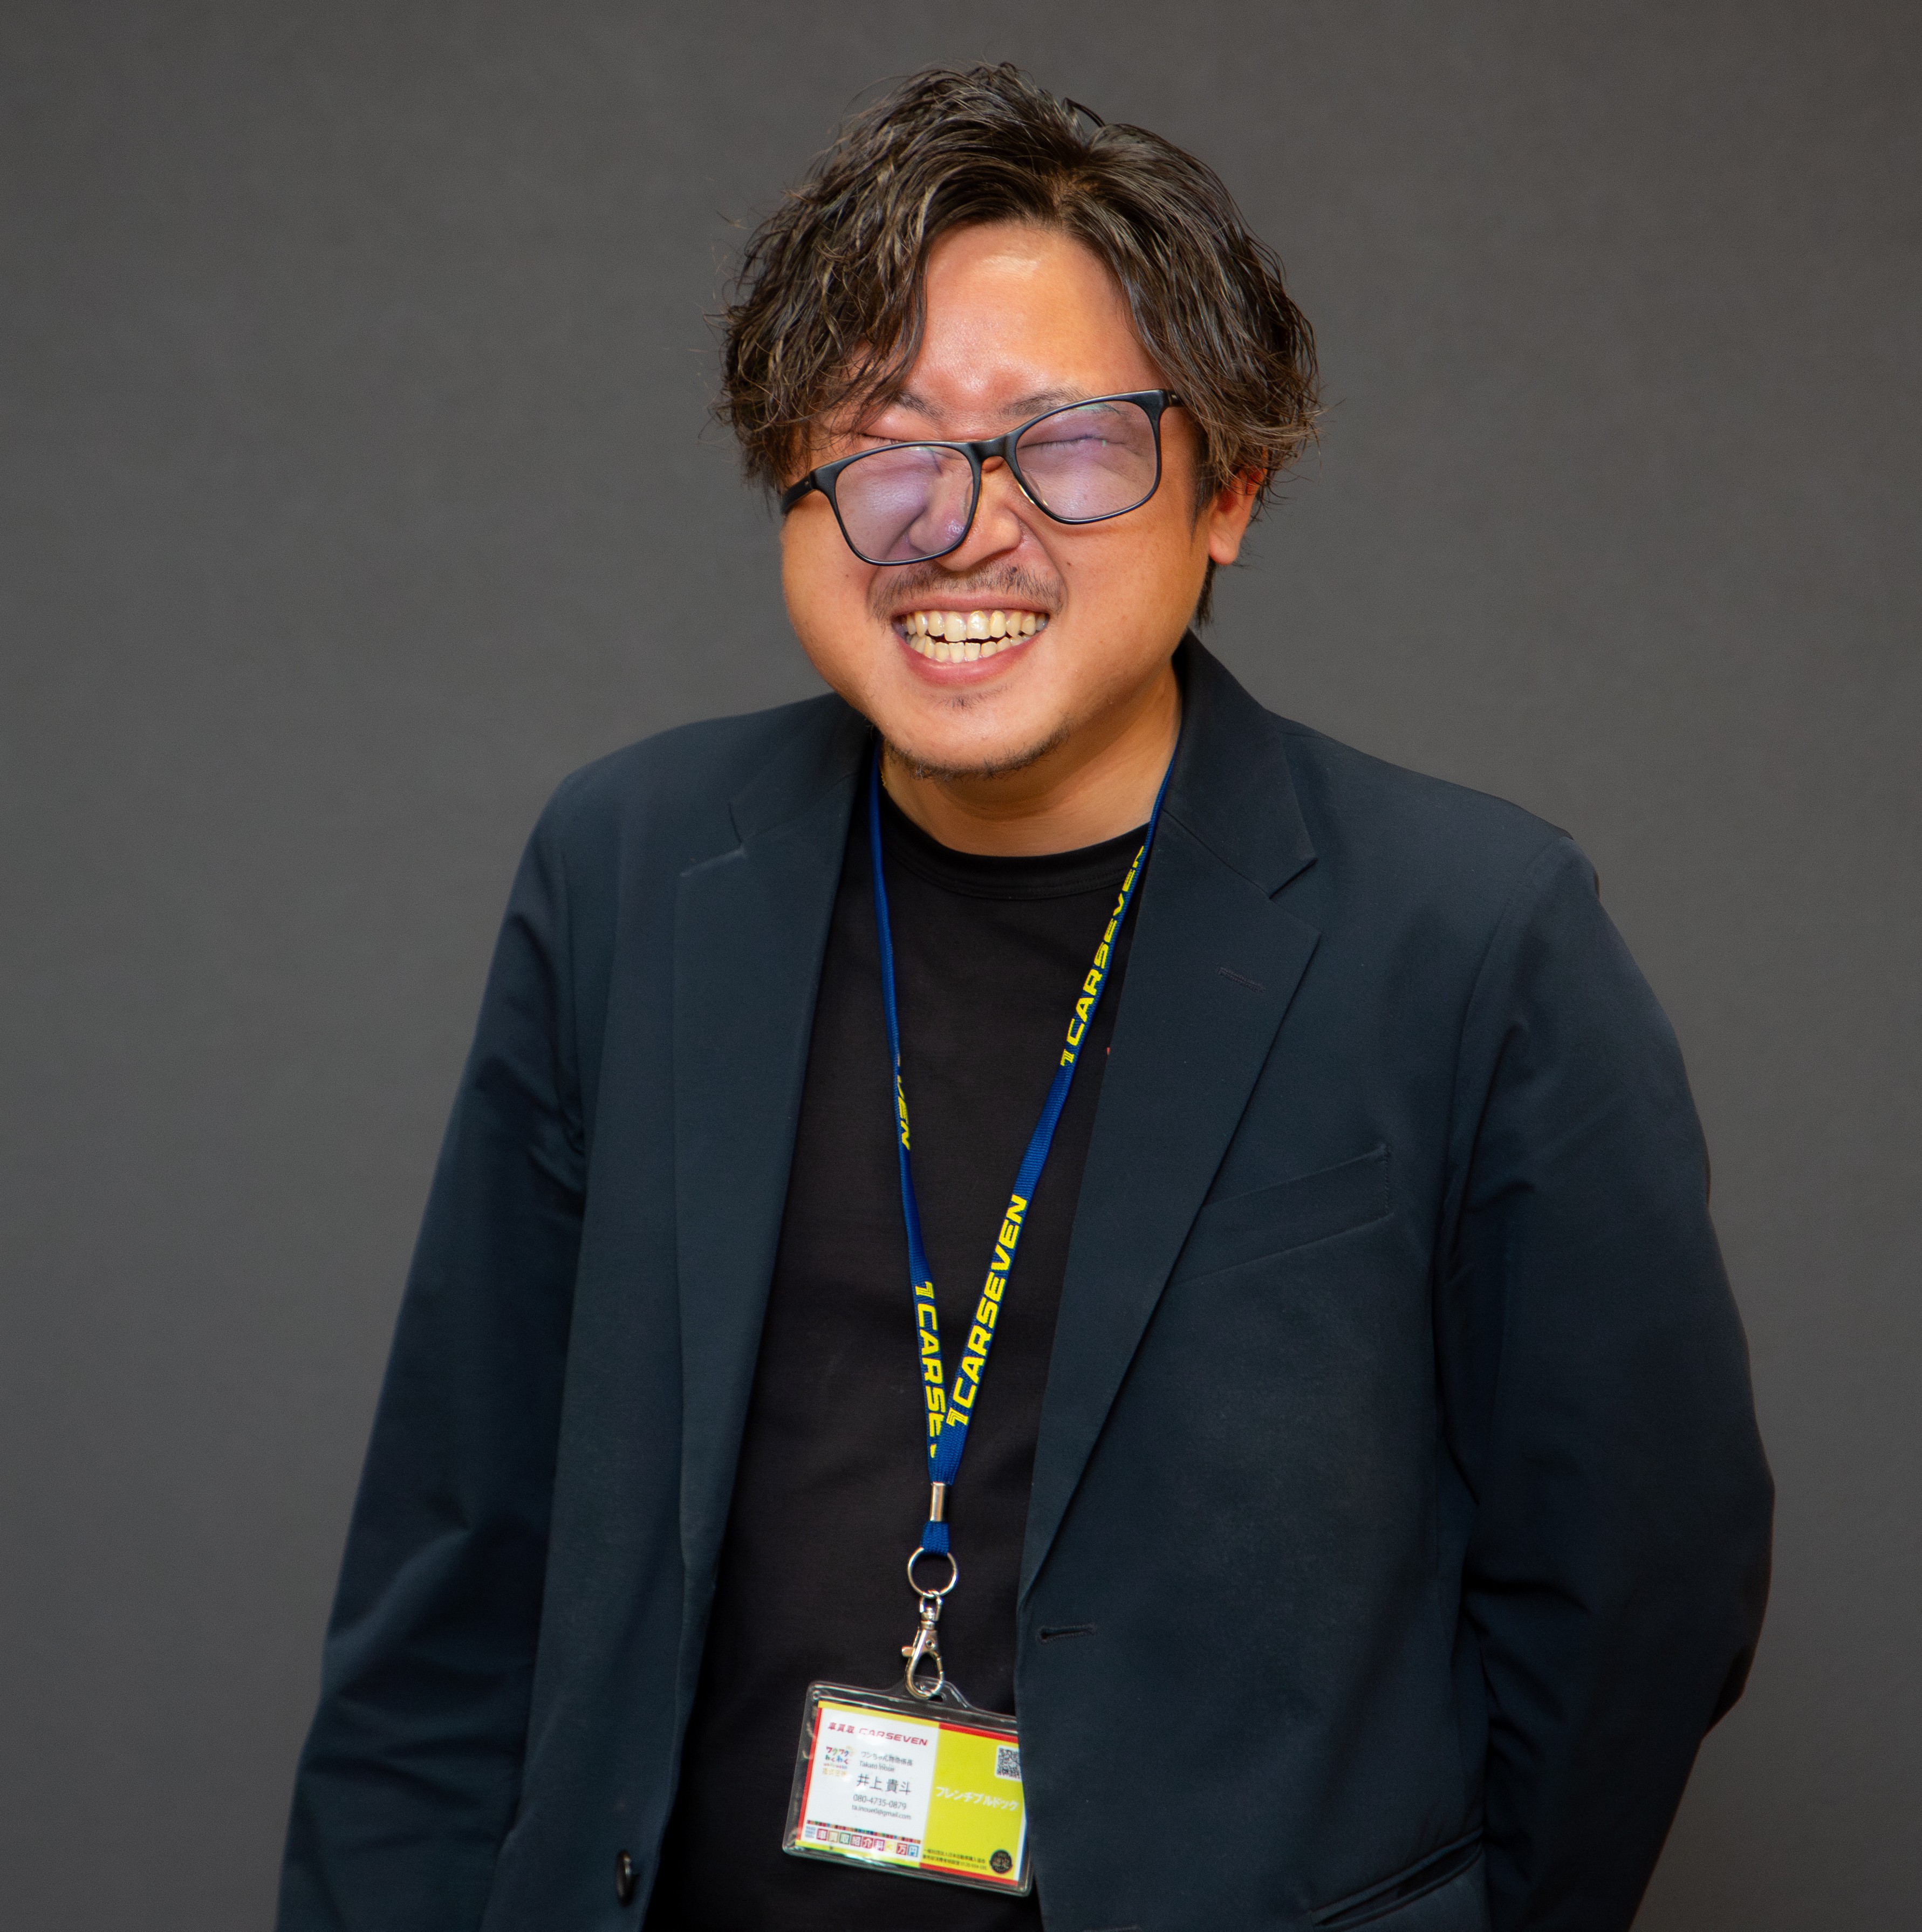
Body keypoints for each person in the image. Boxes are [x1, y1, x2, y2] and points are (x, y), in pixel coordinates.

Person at [277, 64, 1771, 1932]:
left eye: (1064, 445)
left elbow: (1640, 1572)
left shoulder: (1470, 931)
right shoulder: (632, 868)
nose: (957, 526)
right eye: (883, 446)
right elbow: (458, 1546)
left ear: (1228, 485)